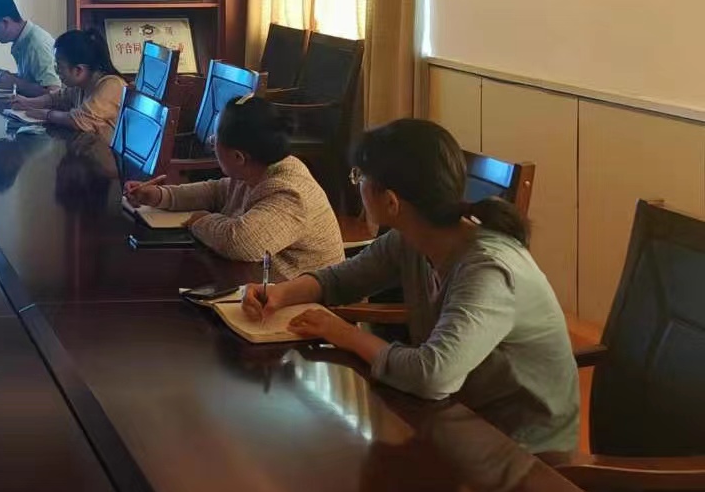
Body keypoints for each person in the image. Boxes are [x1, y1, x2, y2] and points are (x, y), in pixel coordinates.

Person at [241, 118, 580, 454]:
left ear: (391, 202)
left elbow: (433, 376)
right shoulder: (413, 238)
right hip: (457, 418)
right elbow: (343, 279)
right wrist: (281, 293)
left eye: (360, 177)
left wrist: (344, 334)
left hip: (523, 451)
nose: (357, 184)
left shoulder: (488, 270)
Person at [123, 95, 343, 280]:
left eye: (215, 140)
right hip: (262, 285)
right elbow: (215, 192)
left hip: (307, 305)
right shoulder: (258, 168)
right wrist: (160, 196)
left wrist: (201, 221)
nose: (212, 142)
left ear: (238, 157)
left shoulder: (290, 193)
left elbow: (240, 242)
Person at [9, 29, 127, 138]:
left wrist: (46, 115)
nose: (56, 71)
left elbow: (79, 120)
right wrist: (27, 102)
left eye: (59, 67)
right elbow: (56, 98)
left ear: (78, 70)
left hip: (107, 152)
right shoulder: (82, 84)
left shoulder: (111, 85)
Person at [0, 0, 61, 97]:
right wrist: (10, 78)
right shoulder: (23, 40)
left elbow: (55, 92)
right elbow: (34, 80)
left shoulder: (37, 45)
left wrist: (15, 83)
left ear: (5, 22)